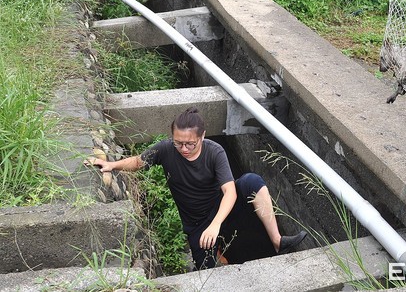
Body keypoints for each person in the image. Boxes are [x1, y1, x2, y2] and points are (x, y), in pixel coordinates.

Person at [87, 107, 307, 269]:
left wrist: (216, 224)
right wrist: (111, 165)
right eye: (178, 142)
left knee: (251, 181)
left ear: (202, 136)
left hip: (219, 211)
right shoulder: (165, 149)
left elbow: (229, 191)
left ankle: (278, 241)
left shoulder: (214, 152)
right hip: (195, 224)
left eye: (190, 143)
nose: (183, 148)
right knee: (207, 270)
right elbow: (138, 162)